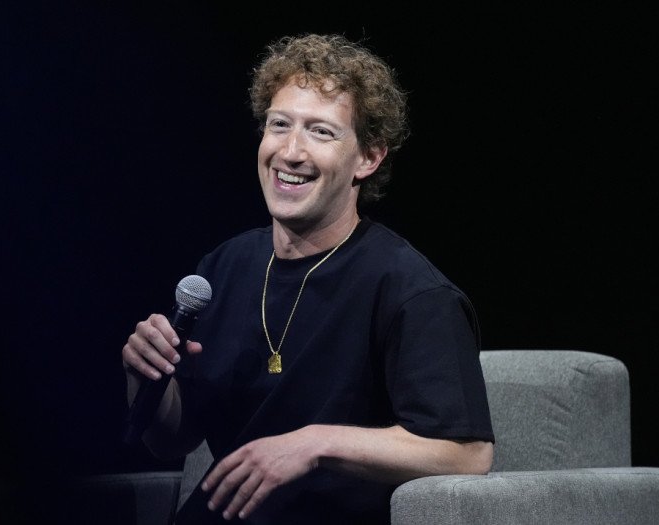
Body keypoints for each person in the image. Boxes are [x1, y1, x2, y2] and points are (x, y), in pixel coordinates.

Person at [121, 33, 494, 524]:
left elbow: (467, 454)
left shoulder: (410, 290)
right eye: (280, 125)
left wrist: (315, 444)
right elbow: (172, 439)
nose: (291, 151)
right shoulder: (223, 267)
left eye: (321, 132)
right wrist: (146, 375)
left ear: (368, 158)